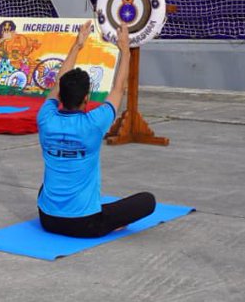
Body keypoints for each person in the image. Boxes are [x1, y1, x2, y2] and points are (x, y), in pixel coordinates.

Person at [36, 20, 156, 238]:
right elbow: (119, 88)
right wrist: (125, 50)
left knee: (48, 185)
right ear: (86, 98)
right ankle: (109, 223)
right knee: (148, 201)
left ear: (60, 96)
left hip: (47, 219)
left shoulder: (45, 117)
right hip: (84, 224)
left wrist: (77, 46)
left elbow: (56, 85)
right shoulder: (93, 123)